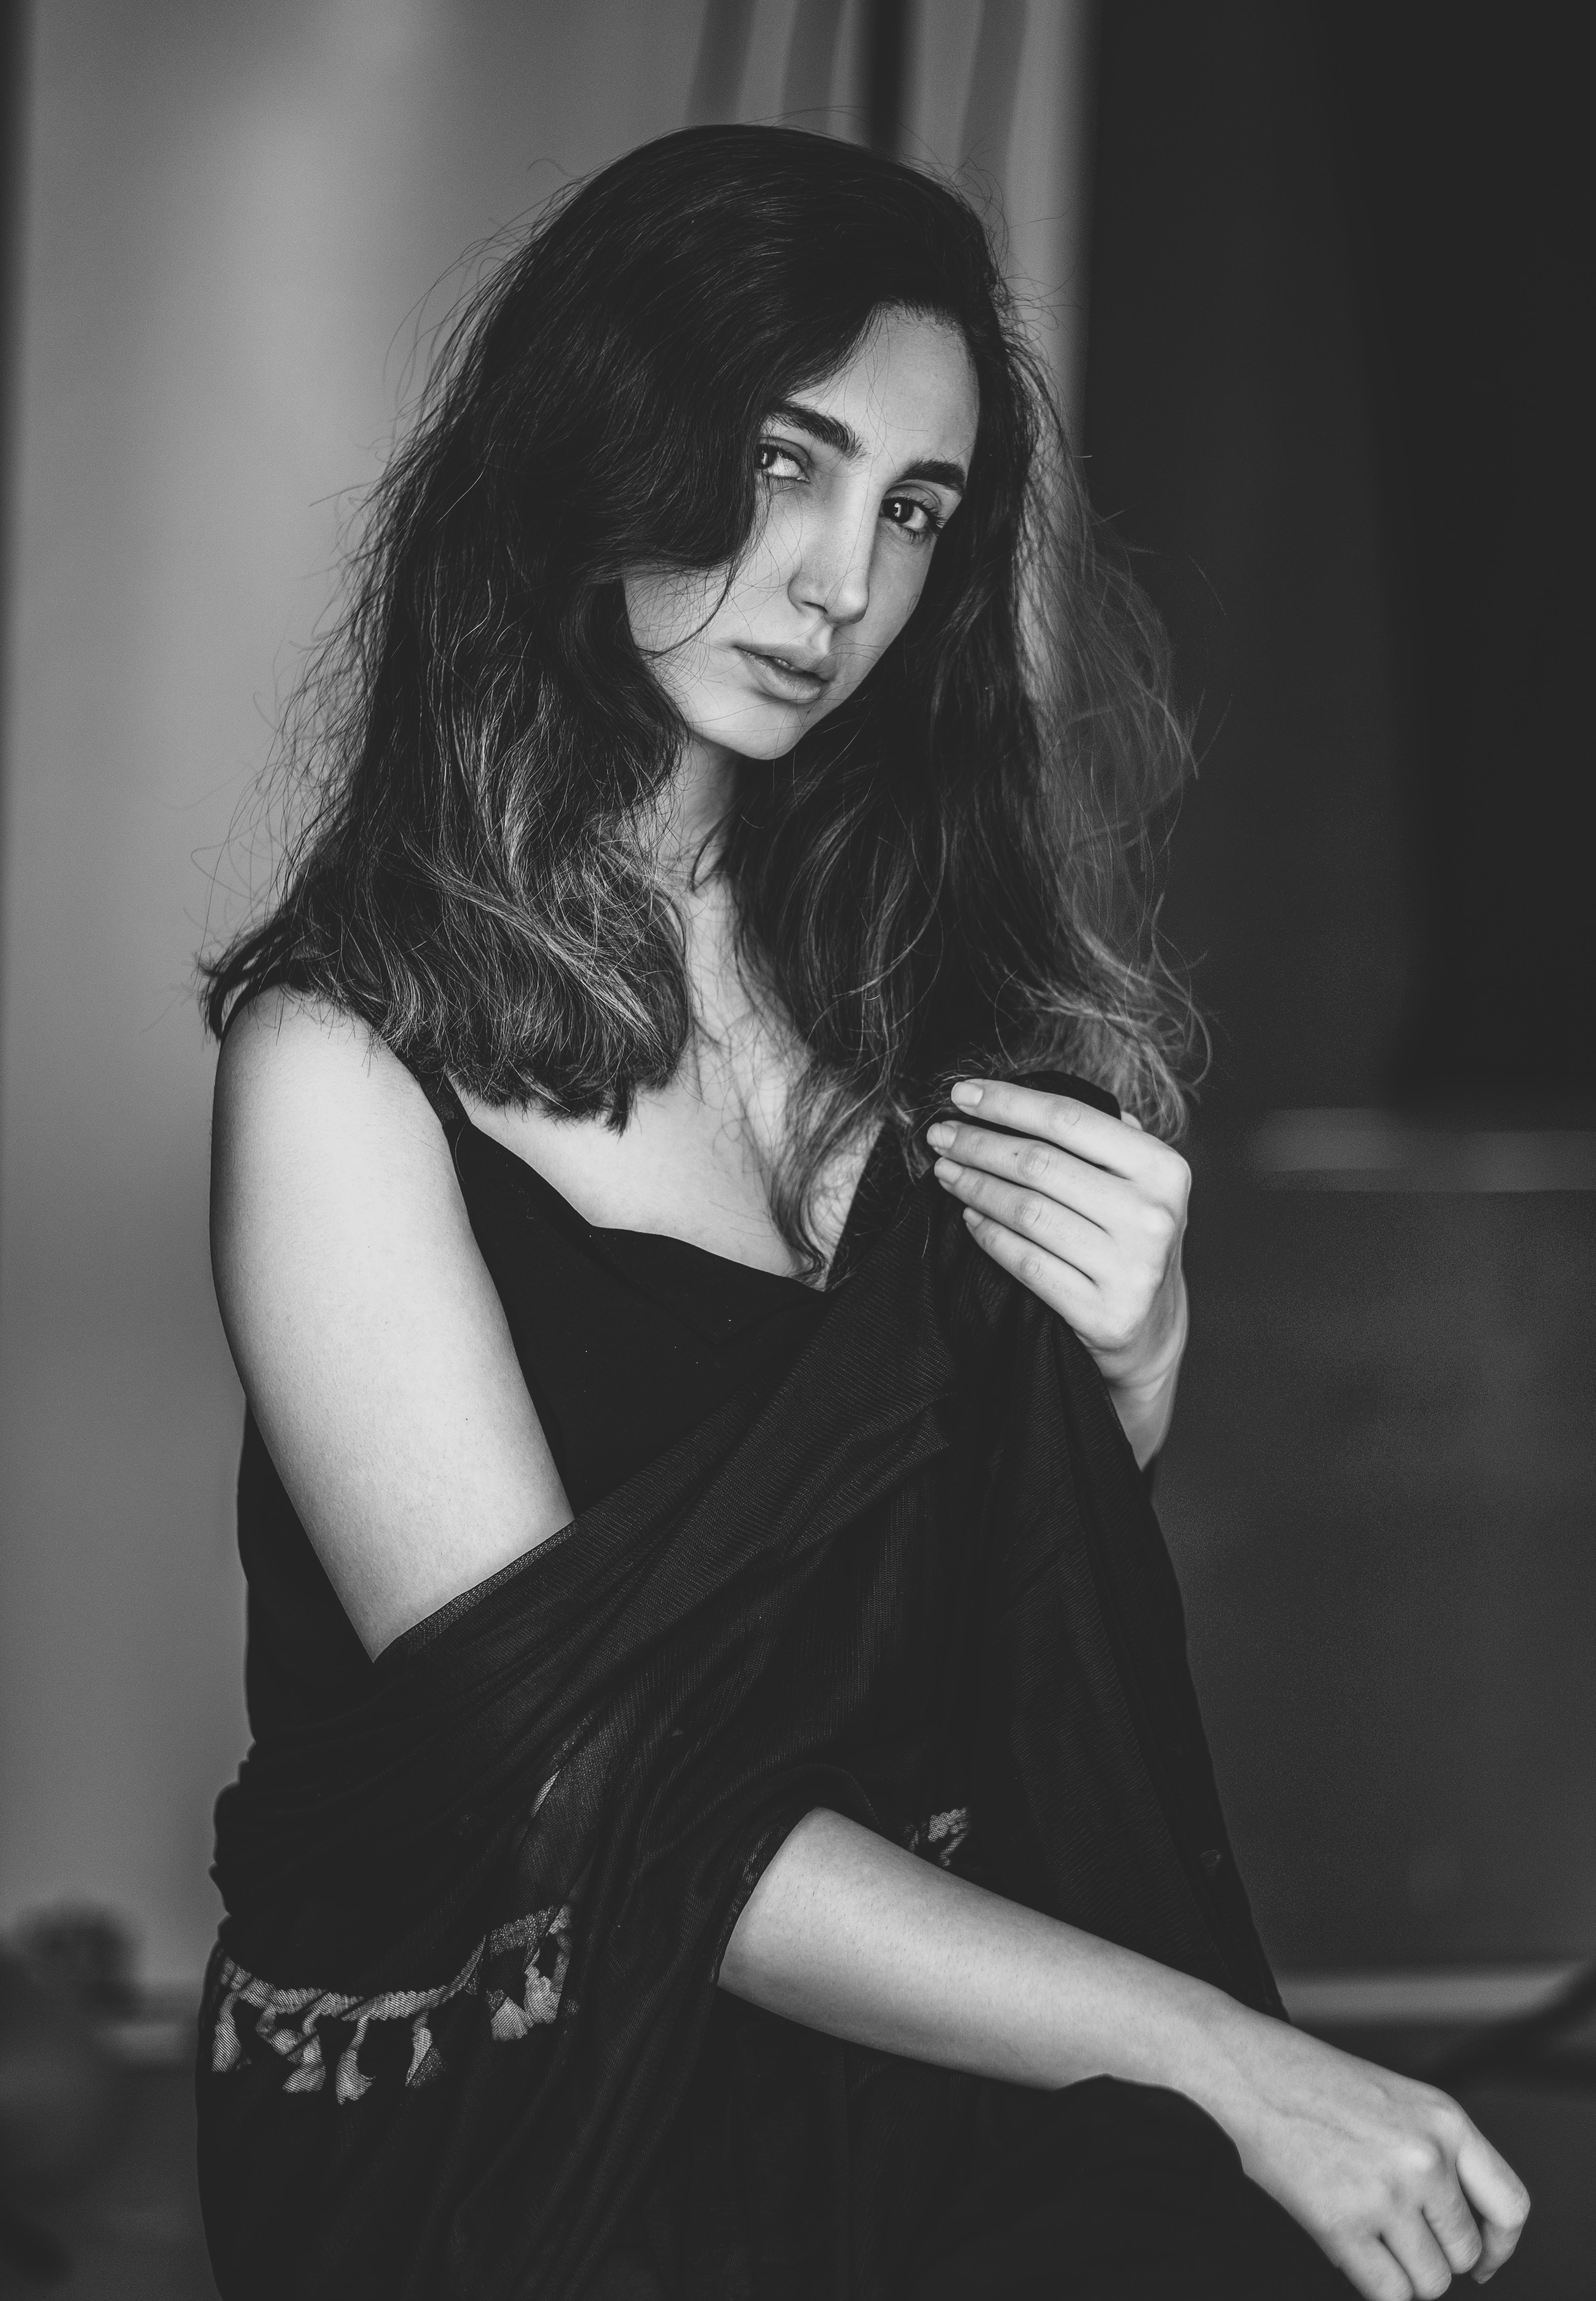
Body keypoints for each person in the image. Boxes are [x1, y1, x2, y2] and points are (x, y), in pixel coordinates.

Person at [197, 126, 1528, 2300]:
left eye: (912, 509)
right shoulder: (342, 1063)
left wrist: (1127, 1373)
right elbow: (583, 1798)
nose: (839, 580)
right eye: (782, 461)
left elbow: (916, 1609)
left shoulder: (922, 984)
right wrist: (1220, 2054)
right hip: (490, 2102)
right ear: (593, 441)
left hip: (886, 2024)